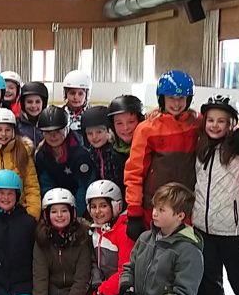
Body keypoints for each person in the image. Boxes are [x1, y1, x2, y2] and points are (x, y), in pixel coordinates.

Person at [192, 95, 239, 295]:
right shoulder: (201, 147)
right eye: (211, 120)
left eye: (222, 121)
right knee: (208, 282)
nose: (215, 125)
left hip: (229, 229)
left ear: (231, 124)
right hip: (202, 228)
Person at [124, 70, 199, 242]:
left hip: (185, 209)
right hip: (155, 209)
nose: (176, 103)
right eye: (171, 98)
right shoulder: (147, 129)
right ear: (161, 98)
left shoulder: (196, 126)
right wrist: (134, 211)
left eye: (181, 98)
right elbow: (134, 172)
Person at [73, 180, 133, 295]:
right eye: (93, 206)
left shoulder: (123, 232)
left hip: (120, 294)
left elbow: (126, 271)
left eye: (103, 206)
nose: (97, 211)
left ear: (115, 206)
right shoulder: (97, 230)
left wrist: (105, 290)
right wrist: (99, 288)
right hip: (104, 293)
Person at [31, 188, 91, 295]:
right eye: (54, 211)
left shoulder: (81, 238)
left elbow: (82, 280)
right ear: (47, 214)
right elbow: (40, 277)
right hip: (52, 292)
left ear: (72, 213)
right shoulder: (42, 239)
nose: (59, 215)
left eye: (64, 211)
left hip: (71, 292)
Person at [34, 105, 95, 216]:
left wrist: (74, 214)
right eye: (48, 132)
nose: (53, 136)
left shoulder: (81, 154)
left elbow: (84, 188)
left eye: (58, 131)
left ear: (67, 128)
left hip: (81, 208)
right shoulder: (41, 156)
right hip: (56, 207)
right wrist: (52, 211)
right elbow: (46, 185)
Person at [81, 106, 125, 195]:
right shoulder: (91, 153)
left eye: (99, 132)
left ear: (109, 131)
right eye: (90, 133)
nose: (94, 137)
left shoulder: (118, 153)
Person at [107, 94, 145, 176]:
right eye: (119, 123)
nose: (125, 128)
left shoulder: (149, 149)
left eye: (131, 122)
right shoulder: (109, 151)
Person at [17, 81, 49, 151]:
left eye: (37, 102)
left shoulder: (49, 124)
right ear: (23, 103)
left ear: (43, 104)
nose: (33, 106)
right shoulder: (17, 125)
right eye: (29, 102)